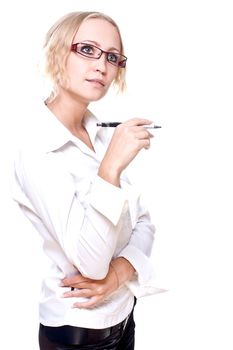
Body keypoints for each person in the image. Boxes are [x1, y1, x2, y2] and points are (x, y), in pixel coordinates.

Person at [12, 11, 160, 350]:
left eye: (111, 56)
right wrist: (109, 170)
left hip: (123, 316)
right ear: (57, 51)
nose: (101, 66)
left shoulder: (102, 134)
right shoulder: (38, 147)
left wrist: (120, 274)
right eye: (87, 50)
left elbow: (145, 224)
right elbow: (91, 265)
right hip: (77, 331)